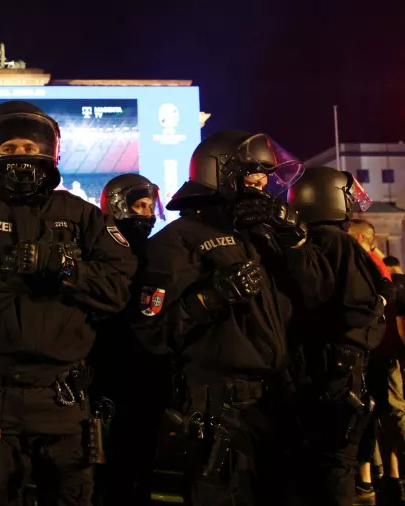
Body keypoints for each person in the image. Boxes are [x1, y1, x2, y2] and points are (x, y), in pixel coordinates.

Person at [0, 101, 138, 505]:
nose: (20, 157)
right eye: (8, 149)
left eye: (27, 147)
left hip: (63, 396)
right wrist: (21, 273)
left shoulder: (81, 215)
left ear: (49, 151)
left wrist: (62, 268)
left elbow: (115, 290)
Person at [132, 130, 311, 505]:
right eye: (252, 172)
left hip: (274, 401)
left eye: (266, 173)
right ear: (220, 172)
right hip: (218, 407)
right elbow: (152, 333)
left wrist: (295, 240)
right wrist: (213, 297)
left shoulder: (262, 237)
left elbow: (312, 299)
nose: (263, 181)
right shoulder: (177, 240)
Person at [279, 167, 390, 505]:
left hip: (306, 368)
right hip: (338, 371)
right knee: (337, 466)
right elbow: (360, 308)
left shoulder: (304, 242)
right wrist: (381, 301)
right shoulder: (338, 242)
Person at [92, 173, 166, 506]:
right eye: (140, 205)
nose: (147, 214)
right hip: (107, 375)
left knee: (143, 464)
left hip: (147, 374)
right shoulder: (96, 252)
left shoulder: (159, 253)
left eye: (150, 206)